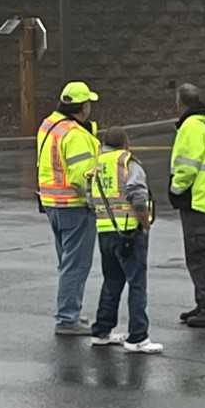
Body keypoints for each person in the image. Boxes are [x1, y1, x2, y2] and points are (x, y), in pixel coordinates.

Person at [87, 128, 163, 354]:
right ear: (125, 142)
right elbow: (137, 193)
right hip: (129, 231)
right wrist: (144, 221)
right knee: (137, 283)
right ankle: (138, 337)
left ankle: (102, 331)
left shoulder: (97, 166)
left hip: (105, 231)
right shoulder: (127, 163)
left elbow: (90, 199)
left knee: (111, 281)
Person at [37, 82, 102, 336]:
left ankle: (70, 310)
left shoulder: (49, 124)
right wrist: (93, 200)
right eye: (88, 104)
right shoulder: (75, 135)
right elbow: (80, 176)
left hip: (52, 203)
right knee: (76, 263)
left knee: (66, 261)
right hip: (73, 206)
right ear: (82, 107)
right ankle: (67, 319)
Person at [169, 81, 205, 328]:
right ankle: (204, 302)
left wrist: (175, 188)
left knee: (199, 255)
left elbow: (187, 165)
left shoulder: (191, 126)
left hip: (196, 198)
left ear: (180, 103)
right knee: (201, 253)